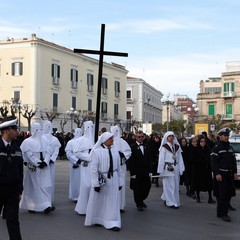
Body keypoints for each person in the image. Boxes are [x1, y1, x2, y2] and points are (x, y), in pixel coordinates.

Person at [84, 132, 123, 231]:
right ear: (105, 140)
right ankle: (98, 219)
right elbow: (93, 169)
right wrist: (95, 183)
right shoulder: (97, 152)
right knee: (100, 200)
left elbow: (119, 169)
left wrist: (120, 182)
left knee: (112, 201)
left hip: (113, 179)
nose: (113, 141)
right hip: (102, 179)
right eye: (111, 139)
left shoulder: (115, 151)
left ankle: (112, 222)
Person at [20, 122, 55, 214]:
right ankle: (37, 206)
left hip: (44, 167)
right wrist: (38, 163)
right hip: (33, 168)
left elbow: (48, 152)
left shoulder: (44, 141)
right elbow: (29, 155)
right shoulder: (27, 142)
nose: (38, 132)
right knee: (34, 187)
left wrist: (46, 162)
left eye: (40, 130)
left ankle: (47, 204)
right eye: (36, 130)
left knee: (46, 186)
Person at [0, 118, 23, 240]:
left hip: (13, 190)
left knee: (13, 220)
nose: (16, 131)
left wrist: (20, 190)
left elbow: (20, 171)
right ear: (6, 131)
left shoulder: (17, 148)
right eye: (14, 129)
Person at [211, 127, 237, 222]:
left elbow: (233, 161)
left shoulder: (230, 148)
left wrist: (235, 172)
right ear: (220, 136)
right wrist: (217, 174)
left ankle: (220, 211)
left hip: (229, 175)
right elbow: (214, 163)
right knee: (223, 195)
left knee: (229, 193)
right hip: (221, 175)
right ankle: (224, 213)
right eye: (225, 135)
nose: (226, 137)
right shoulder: (216, 148)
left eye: (227, 135)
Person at [157, 131, 185, 209]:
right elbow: (161, 159)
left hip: (175, 167)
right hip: (167, 168)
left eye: (172, 136)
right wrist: (160, 171)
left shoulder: (177, 147)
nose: (171, 137)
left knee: (175, 185)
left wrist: (181, 168)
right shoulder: (164, 147)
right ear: (166, 138)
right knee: (168, 185)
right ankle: (170, 202)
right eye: (169, 136)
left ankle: (174, 201)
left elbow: (180, 158)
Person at [128, 130, 152, 211]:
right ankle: (139, 203)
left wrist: (150, 171)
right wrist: (132, 173)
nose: (140, 138)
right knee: (137, 188)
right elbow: (131, 161)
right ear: (135, 137)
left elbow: (149, 159)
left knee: (147, 186)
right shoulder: (132, 147)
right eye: (139, 137)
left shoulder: (147, 146)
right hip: (137, 171)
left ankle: (141, 199)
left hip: (145, 171)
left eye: (142, 137)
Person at [74, 121, 95, 215]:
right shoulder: (80, 140)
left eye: (92, 127)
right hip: (86, 166)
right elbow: (77, 153)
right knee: (86, 185)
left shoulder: (97, 139)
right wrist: (88, 157)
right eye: (88, 127)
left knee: (94, 186)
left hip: (95, 165)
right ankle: (83, 208)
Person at [110, 125, 131, 213]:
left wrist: (123, 155)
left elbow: (128, 152)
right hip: (111, 168)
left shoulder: (123, 142)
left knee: (121, 185)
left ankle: (120, 205)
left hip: (121, 167)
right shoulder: (109, 142)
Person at [42, 120, 61, 203]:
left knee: (50, 181)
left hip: (51, 164)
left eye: (49, 126)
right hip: (42, 163)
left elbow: (56, 151)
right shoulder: (40, 138)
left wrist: (52, 160)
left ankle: (49, 200)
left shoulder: (55, 139)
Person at [192, 135, 215, 203]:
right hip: (199, 170)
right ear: (199, 142)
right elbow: (194, 159)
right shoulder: (196, 149)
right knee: (198, 184)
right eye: (201, 141)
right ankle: (198, 197)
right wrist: (202, 161)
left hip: (207, 169)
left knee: (209, 184)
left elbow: (210, 157)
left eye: (204, 141)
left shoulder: (208, 149)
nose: (203, 143)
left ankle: (210, 198)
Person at [65, 128, 82, 201]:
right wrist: (76, 160)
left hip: (83, 163)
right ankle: (75, 195)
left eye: (80, 132)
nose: (79, 133)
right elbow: (68, 153)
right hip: (74, 163)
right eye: (77, 132)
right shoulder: (70, 142)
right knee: (74, 180)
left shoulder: (83, 142)